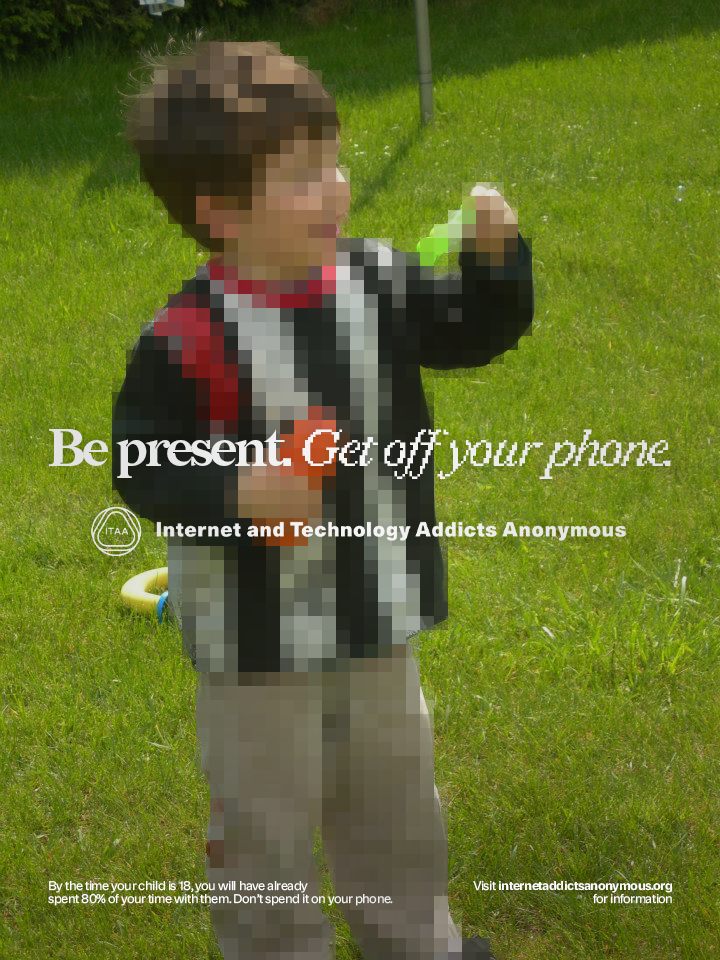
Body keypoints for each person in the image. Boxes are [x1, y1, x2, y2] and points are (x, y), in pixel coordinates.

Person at [112, 38, 533, 960]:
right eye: (303, 176)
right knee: (262, 819)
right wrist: (236, 487)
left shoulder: (376, 281)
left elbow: (468, 334)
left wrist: (496, 267)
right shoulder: (185, 338)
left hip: (376, 612)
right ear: (217, 209)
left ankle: (415, 941)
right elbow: (142, 465)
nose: (336, 188)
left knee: (396, 800)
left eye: (333, 163)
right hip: (252, 642)